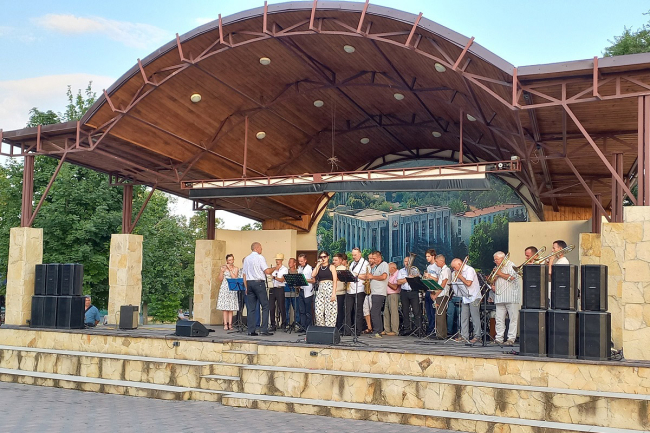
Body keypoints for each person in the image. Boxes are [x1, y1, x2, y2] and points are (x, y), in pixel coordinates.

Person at [241, 242, 273, 336]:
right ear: (257, 248)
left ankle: (251, 330)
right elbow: (267, 271)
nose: (261, 249)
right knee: (265, 306)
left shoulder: (247, 259)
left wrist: (246, 287)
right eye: (261, 248)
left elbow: (244, 274)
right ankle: (263, 329)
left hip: (249, 283)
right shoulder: (260, 257)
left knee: (251, 308)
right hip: (259, 283)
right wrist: (275, 268)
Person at [491, 251, 520, 346]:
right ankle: (499, 338)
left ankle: (511, 339)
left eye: (497, 259)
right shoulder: (497, 267)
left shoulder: (511, 265)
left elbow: (512, 278)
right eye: (494, 260)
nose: (495, 261)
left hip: (511, 296)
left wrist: (499, 273)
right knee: (499, 319)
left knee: (513, 319)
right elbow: (493, 280)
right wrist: (493, 282)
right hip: (500, 297)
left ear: (503, 259)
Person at [450, 258, 481, 343]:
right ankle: (464, 336)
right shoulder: (459, 272)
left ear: (460, 264)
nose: (454, 269)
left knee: (475, 317)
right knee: (463, 317)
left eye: (455, 267)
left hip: (474, 296)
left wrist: (460, 277)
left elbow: (468, 283)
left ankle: (477, 336)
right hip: (465, 296)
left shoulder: (469, 270)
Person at [361, 251, 388, 338]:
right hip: (373, 292)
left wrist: (372, 277)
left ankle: (377, 331)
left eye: (374, 258)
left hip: (379, 292)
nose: (373, 260)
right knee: (375, 312)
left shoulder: (384, 264)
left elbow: (384, 277)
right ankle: (378, 331)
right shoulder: (376, 266)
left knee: (374, 312)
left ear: (379, 257)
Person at [345, 248, 368, 336]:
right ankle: (347, 330)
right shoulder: (352, 263)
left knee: (358, 311)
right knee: (348, 310)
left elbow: (367, 276)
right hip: (350, 289)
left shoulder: (365, 263)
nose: (353, 257)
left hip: (360, 289)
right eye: (353, 255)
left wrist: (356, 275)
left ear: (360, 254)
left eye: (355, 255)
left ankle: (358, 330)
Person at [312, 251, 338, 327]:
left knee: (330, 310)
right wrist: (318, 264)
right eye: (321, 257)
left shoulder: (331, 267)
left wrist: (333, 293)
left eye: (324, 257)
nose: (323, 258)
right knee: (318, 311)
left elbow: (335, 281)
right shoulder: (319, 267)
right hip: (321, 288)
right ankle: (321, 327)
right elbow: (313, 275)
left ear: (328, 257)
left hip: (329, 287)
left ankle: (329, 328)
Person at [397, 257, 421, 336]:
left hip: (413, 292)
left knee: (416, 311)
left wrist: (416, 277)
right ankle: (406, 329)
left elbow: (419, 281)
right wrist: (408, 278)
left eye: (408, 261)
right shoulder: (401, 271)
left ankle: (418, 329)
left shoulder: (415, 270)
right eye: (405, 261)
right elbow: (398, 282)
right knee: (405, 311)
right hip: (404, 292)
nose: (407, 263)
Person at [430, 254, 451, 339]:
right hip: (440, 294)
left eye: (437, 261)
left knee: (440, 314)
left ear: (442, 261)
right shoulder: (442, 270)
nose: (436, 263)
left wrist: (436, 294)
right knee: (438, 314)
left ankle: (441, 334)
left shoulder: (446, 270)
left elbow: (443, 283)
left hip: (443, 294)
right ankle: (440, 333)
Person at [217, 253, 239, 330]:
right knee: (225, 307)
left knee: (231, 307)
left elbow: (234, 278)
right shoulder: (223, 268)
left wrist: (230, 270)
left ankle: (230, 324)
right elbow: (220, 279)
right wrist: (221, 271)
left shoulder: (236, 268)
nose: (231, 261)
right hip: (224, 288)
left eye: (232, 260)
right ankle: (225, 324)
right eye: (229, 260)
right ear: (227, 261)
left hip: (232, 287)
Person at [269, 253, 288, 332]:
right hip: (272, 288)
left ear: (281, 260)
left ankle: (284, 323)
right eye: (276, 259)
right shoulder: (273, 268)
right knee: (271, 307)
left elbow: (282, 279)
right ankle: (273, 324)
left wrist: (274, 277)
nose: (277, 261)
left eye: (279, 260)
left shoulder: (284, 269)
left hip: (280, 288)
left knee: (281, 306)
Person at [423, 249, 439, 335]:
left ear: (433, 256)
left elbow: (438, 279)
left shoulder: (437, 266)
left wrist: (429, 276)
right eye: (426, 256)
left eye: (428, 256)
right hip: (428, 290)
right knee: (428, 311)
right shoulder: (428, 267)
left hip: (434, 290)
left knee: (433, 311)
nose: (427, 258)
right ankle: (430, 327)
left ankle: (434, 328)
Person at [297, 254, 315, 332]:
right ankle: (303, 326)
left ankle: (308, 327)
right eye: (299, 261)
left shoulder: (310, 268)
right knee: (301, 310)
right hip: (301, 290)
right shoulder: (299, 268)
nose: (300, 262)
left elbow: (313, 280)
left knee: (308, 311)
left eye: (301, 261)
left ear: (305, 260)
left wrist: (304, 279)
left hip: (308, 292)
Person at [384, 262, 400, 336]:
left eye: (388, 269)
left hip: (394, 294)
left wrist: (386, 281)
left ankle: (394, 330)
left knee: (393, 312)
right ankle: (387, 329)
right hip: (387, 294)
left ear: (393, 268)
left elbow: (395, 287)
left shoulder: (398, 274)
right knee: (386, 312)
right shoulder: (390, 275)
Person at [333, 253, 347, 332]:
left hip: (340, 292)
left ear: (341, 260)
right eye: (333, 260)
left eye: (336, 260)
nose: (334, 261)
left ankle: (339, 327)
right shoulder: (333, 267)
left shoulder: (342, 268)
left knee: (339, 311)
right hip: (334, 293)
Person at [284, 258, 299, 329]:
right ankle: (287, 323)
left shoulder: (297, 272)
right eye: (289, 262)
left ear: (294, 263)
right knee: (286, 309)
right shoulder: (286, 271)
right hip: (286, 292)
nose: (289, 263)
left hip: (295, 293)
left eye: (290, 262)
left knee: (296, 309)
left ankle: (297, 323)